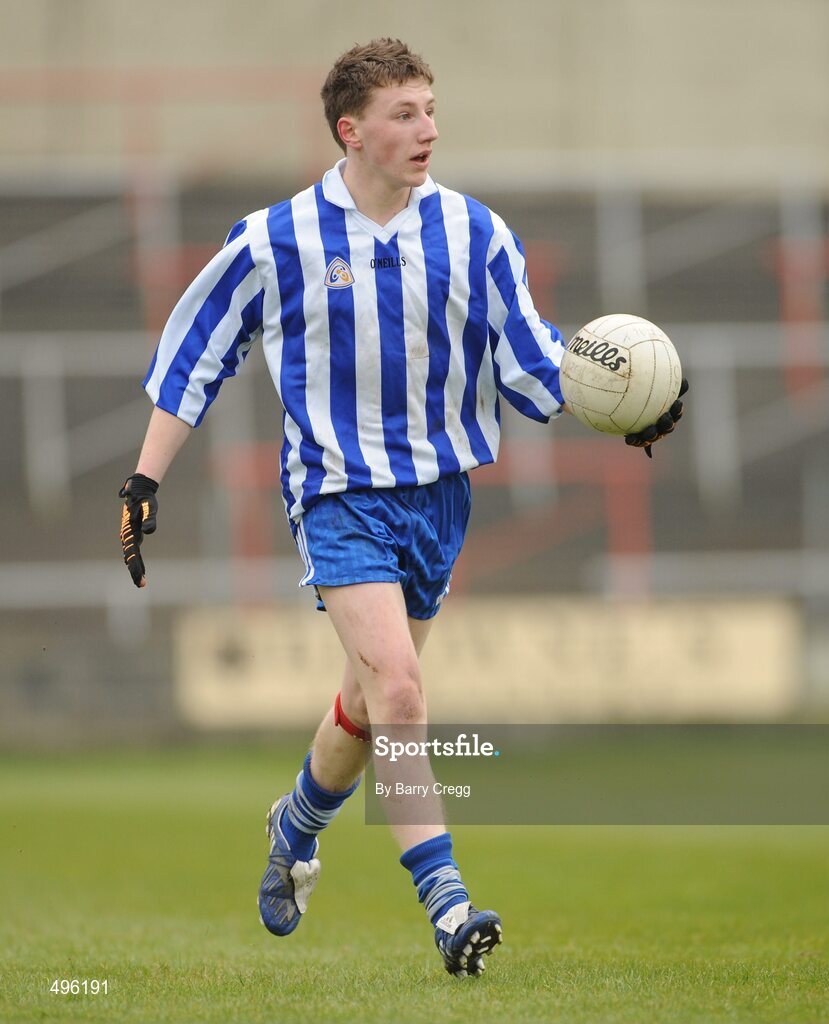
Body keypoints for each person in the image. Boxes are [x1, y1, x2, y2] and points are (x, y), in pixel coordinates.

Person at [119, 38, 686, 978]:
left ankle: (294, 825)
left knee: (365, 700)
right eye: (404, 114)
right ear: (352, 131)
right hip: (338, 492)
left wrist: (622, 409)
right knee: (402, 694)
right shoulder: (276, 238)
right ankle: (448, 905)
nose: (427, 129)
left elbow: (534, 365)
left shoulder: (474, 234)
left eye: (429, 108)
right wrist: (142, 484)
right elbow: (193, 360)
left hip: (439, 498)